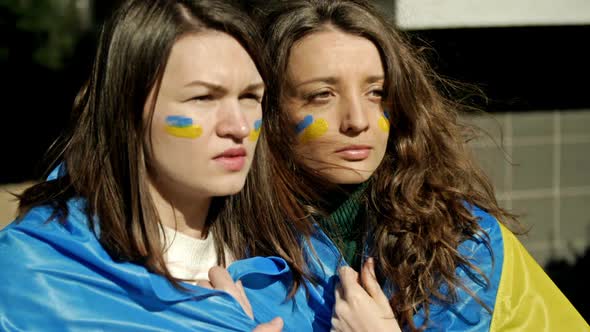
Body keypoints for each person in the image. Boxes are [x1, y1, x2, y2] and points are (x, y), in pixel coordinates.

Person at [255, 0, 589, 330]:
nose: (358, 121)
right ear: (267, 111)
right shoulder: (230, 245)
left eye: (376, 92)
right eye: (322, 95)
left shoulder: (466, 242)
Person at [0, 1, 332, 330]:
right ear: (127, 112)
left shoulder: (301, 259)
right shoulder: (32, 280)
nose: (239, 127)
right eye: (203, 98)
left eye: (249, 97)